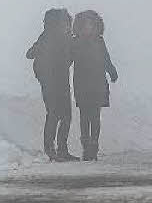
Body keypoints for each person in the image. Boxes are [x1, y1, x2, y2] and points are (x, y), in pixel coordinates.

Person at [26, 8, 77, 162]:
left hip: (62, 81)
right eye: (65, 22)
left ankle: (62, 149)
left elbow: (73, 57)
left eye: (69, 23)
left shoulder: (68, 39)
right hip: (49, 82)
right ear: (56, 23)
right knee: (54, 114)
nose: (68, 25)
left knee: (66, 116)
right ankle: (50, 149)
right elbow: (30, 54)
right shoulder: (46, 37)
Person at [71, 10, 118, 161]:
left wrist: (112, 72)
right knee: (85, 116)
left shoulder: (99, 41)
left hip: (97, 83)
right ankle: (86, 146)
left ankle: (94, 146)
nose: (88, 28)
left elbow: (106, 59)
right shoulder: (76, 42)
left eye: (90, 25)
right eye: (85, 25)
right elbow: (67, 59)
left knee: (95, 116)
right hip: (82, 83)